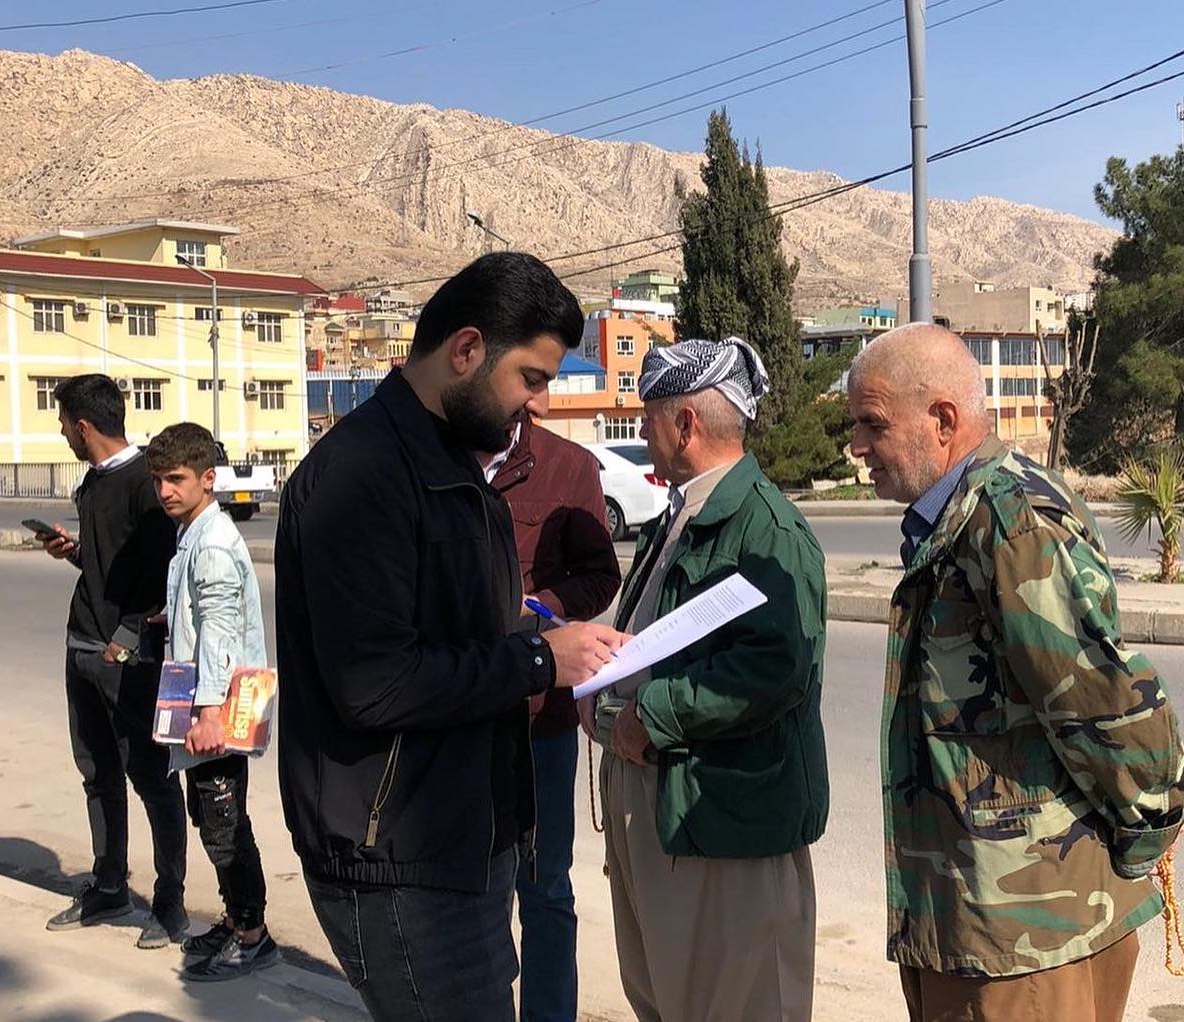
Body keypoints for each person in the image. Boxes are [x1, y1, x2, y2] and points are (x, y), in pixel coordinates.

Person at [275, 252, 630, 1022]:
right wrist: (539, 658)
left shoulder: (451, 466)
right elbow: (375, 683)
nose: (537, 402)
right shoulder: (363, 475)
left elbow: (463, 631)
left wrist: (552, 647)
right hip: (399, 861)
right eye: (530, 378)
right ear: (467, 349)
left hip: (461, 842)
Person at [846, 323, 1184, 1022]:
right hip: (985, 929)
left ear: (943, 421)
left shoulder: (1009, 522)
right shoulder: (963, 518)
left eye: (872, 425)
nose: (856, 447)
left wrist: (1152, 825)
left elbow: (1103, 703)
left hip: (1026, 943)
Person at [590, 337, 829, 1022]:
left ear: (686, 425)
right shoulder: (683, 514)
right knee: (663, 998)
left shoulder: (766, 529)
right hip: (664, 810)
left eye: (649, 419)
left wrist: (652, 714)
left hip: (724, 829)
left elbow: (773, 668)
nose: (642, 434)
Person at [35, 374, 188, 949]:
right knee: (97, 773)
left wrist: (124, 639)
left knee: (151, 776)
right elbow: (109, 566)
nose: (62, 434)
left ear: (83, 426)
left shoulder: (146, 484)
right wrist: (75, 553)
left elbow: (164, 576)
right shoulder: (93, 483)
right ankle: (109, 885)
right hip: (82, 645)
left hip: (129, 656)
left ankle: (169, 901)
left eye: (63, 425)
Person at [483, 409, 622, 1022]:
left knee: (544, 889)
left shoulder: (569, 466)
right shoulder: (438, 457)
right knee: (471, 894)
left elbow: (600, 576)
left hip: (541, 722)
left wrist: (536, 607)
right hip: (457, 718)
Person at [145, 422, 279, 981]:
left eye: (176, 479)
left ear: (207, 479)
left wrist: (208, 713)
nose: (165, 491)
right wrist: (173, 618)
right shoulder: (194, 534)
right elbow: (204, 617)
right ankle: (235, 919)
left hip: (217, 711)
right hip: (208, 703)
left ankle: (252, 936)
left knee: (225, 826)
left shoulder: (213, 544)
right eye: (158, 480)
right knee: (211, 816)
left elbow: (221, 630)